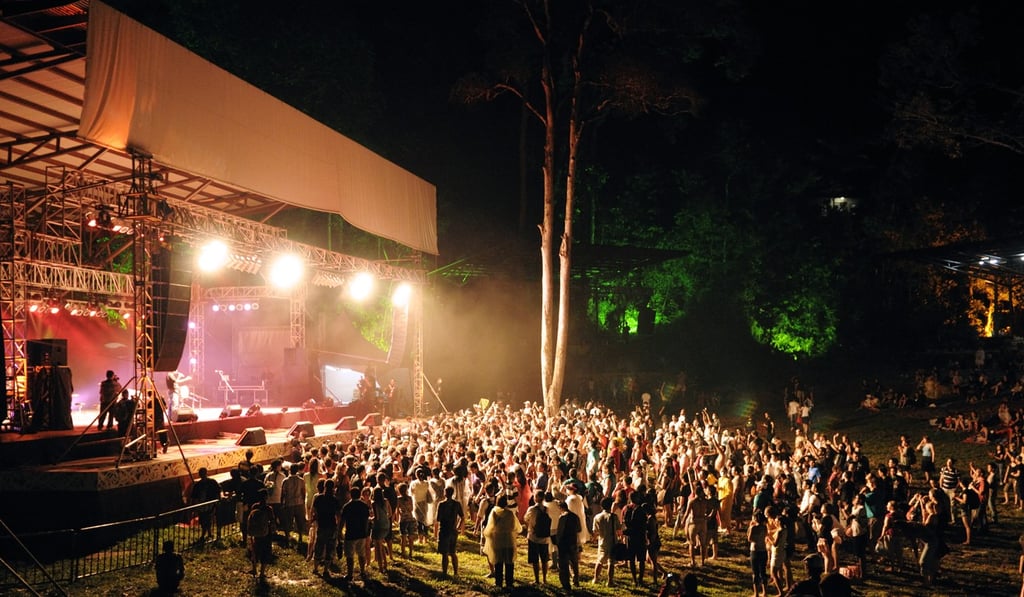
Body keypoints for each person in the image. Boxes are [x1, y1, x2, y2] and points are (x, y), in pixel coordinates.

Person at [482, 493, 518, 588]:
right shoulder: (510, 513)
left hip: (497, 540)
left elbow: (490, 527)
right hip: (508, 540)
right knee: (509, 563)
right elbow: (515, 527)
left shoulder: (494, 512)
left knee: (498, 562)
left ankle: (499, 582)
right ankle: (509, 583)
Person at [339, 486, 372, 582]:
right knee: (361, 554)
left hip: (350, 533)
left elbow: (342, 520)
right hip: (362, 533)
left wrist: (340, 531)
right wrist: (366, 532)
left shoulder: (347, 506)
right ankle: (362, 571)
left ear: (350, 494)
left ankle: (350, 574)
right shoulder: (364, 506)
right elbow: (367, 520)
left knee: (350, 555)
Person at [310, 478, 340, 577]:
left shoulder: (319, 498)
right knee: (329, 548)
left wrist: (315, 519)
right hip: (331, 525)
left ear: (324, 487)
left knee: (319, 546)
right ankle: (326, 570)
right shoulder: (334, 499)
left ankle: (315, 568)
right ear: (333, 488)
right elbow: (337, 515)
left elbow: (314, 511)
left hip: (321, 525)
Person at [246, 490, 275, 580]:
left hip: (255, 533)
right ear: (266, 497)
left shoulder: (255, 506)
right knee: (265, 552)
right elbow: (272, 521)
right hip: (266, 533)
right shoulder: (268, 509)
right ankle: (262, 573)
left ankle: (254, 568)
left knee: (255, 550)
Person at [591, 496, 620, 586]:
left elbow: (595, 531)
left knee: (600, 560)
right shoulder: (613, 517)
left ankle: (595, 578)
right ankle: (610, 581)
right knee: (611, 562)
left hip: (602, 541)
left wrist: (595, 539)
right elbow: (618, 529)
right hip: (612, 541)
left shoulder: (597, 517)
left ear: (601, 506)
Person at [524, 491, 551, 584]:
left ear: (538, 498)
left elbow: (526, 519)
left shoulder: (532, 509)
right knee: (544, 559)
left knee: (535, 560)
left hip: (533, 537)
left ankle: (537, 579)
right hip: (545, 538)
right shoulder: (547, 509)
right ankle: (544, 579)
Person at [555, 498, 582, 591]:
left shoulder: (562, 517)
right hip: (573, 542)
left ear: (560, 508)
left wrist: (557, 542)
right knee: (574, 563)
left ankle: (566, 585)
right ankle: (576, 580)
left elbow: (560, 532)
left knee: (563, 565)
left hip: (564, 543)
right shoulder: (575, 516)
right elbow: (579, 529)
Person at [189, 467, 221, 542]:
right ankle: (208, 533)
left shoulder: (211, 482)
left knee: (207, 518)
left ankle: (205, 534)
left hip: (210, 504)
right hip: (202, 505)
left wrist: (217, 500)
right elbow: (194, 496)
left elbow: (218, 491)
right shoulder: (198, 485)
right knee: (204, 519)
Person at [280, 462, 307, 549]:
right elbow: (303, 492)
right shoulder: (301, 480)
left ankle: (287, 537)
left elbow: (283, 494)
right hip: (299, 503)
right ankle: (300, 537)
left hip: (289, 503)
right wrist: (303, 501)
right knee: (300, 521)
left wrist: (282, 503)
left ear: (290, 470)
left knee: (288, 521)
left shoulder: (286, 481)